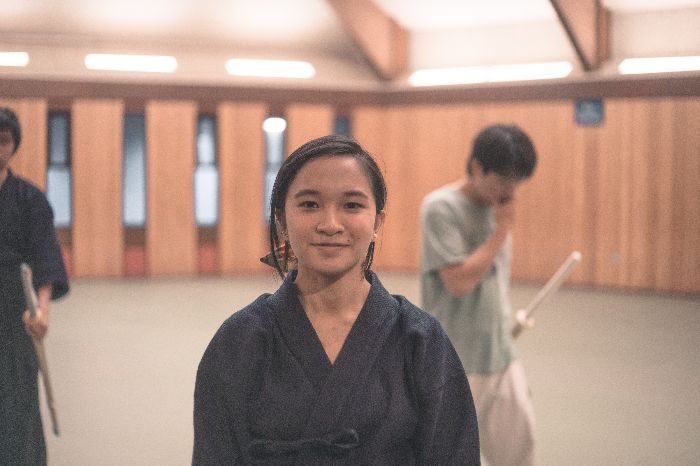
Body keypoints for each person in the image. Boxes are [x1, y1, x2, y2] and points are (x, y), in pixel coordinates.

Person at [193, 134, 480, 465]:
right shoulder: (239, 342)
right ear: (282, 220)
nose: (330, 224)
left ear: (378, 221)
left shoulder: (421, 340)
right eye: (309, 204)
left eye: (352, 205)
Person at [420, 124, 538, 466]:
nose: (510, 190)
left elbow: (494, 284)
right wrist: (501, 230)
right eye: (503, 180)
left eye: (517, 181)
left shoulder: (498, 207)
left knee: (520, 456)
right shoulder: (440, 208)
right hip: (455, 362)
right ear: (476, 167)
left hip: (501, 354)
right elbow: (459, 283)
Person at [0, 107, 70, 465]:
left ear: (14, 145)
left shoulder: (30, 199)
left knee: (18, 401)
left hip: (15, 314)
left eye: (4, 140)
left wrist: (42, 310)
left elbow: (45, 257)